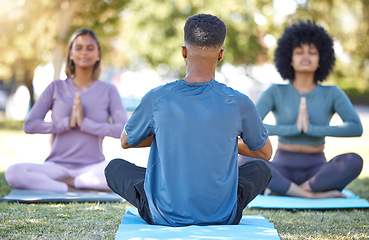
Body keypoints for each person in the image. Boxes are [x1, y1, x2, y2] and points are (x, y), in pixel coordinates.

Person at [105, 14, 272, 226]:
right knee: (260, 169)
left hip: (163, 215)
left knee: (114, 168)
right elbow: (265, 153)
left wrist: (170, 134)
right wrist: (220, 138)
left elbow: (126, 141)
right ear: (221, 55)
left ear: (183, 51)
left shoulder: (157, 98)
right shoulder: (240, 103)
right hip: (221, 216)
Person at [239, 21, 363, 199]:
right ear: (289, 57)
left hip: (317, 172)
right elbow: (249, 127)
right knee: (241, 159)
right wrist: (293, 129)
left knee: (354, 161)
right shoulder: (275, 91)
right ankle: (311, 195)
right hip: (280, 168)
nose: (306, 56)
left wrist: (311, 130)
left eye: (312, 52)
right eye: (299, 52)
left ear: (322, 58)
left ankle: (287, 191)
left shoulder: (333, 93)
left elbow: (355, 128)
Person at [5, 29, 128, 192]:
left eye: (90, 48)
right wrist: (64, 124)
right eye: (79, 47)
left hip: (93, 167)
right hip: (56, 167)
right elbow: (30, 125)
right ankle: (69, 185)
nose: (84, 52)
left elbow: (124, 130)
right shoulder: (56, 87)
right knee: (13, 172)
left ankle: (71, 182)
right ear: (70, 53)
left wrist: (86, 124)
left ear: (98, 54)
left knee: (122, 174)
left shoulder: (108, 90)